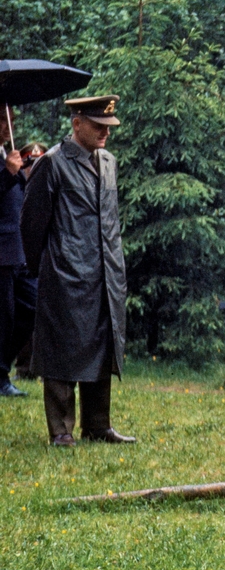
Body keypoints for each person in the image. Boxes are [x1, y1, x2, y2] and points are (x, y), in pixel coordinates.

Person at [20, 95, 135, 446]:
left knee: (102, 343)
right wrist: (48, 267)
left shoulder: (110, 162)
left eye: (109, 128)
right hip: (66, 273)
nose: (105, 133)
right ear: (77, 123)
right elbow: (32, 224)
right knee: (62, 347)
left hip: (106, 273)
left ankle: (98, 425)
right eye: (98, 127)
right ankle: (61, 431)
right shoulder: (53, 163)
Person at [0, 113, 41, 397]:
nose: (8, 125)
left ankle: (2, 366)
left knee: (34, 306)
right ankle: (1, 377)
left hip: (19, 249)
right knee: (5, 317)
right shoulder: (6, 162)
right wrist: (7, 174)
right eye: (2, 118)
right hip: (1, 252)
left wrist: (22, 175)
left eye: (11, 118)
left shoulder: (7, 153)